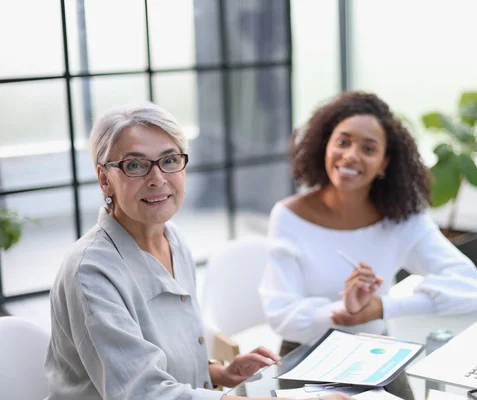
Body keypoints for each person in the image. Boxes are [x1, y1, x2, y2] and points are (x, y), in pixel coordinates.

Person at [44, 103, 351, 400]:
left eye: (169, 160)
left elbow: (160, 353)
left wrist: (218, 372)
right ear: (104, 179)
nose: (158, 179)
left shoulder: (172, 239)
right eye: (135, 165)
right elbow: (143, 392)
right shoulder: (89, 272)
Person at [259, 91, 477, 356]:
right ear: (325, 146)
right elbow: (280, 315)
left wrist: (382, 307)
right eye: (343, 142)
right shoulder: (289, 216)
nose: (351, 155)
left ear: (384, 164)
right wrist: (345, 310)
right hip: (304, 352)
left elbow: (470, 288)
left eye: (368, 148)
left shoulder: (403, 219)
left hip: (375, 352)